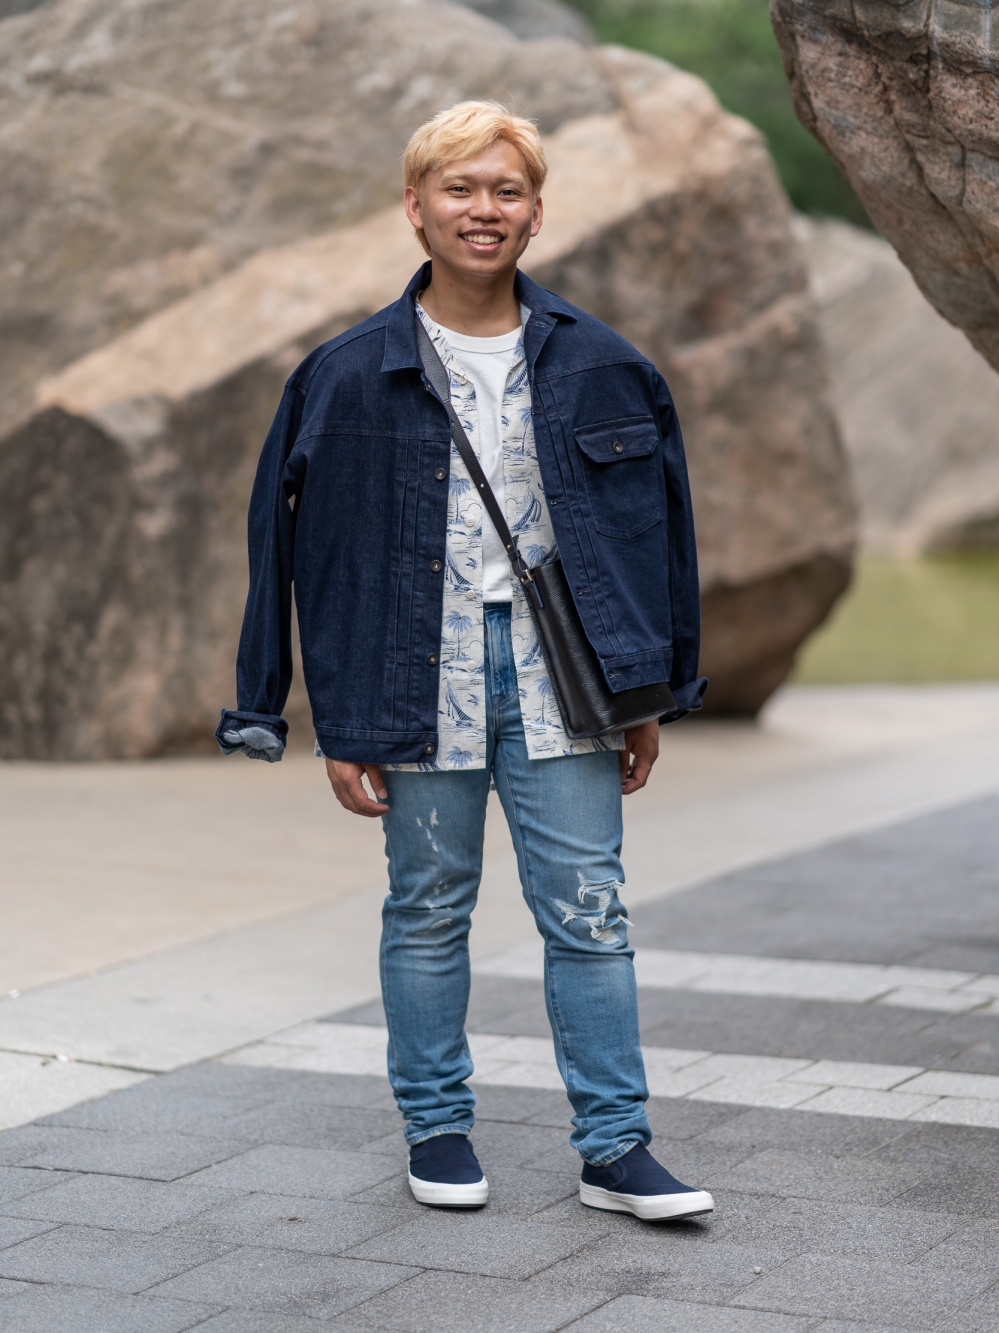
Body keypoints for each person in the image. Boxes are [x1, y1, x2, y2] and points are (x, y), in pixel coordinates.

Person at [218, 101, 712, 1221]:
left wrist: (655, 691)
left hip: (565, 673)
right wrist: (311, 714)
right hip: (413, 668)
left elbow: (662, 540)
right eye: (458, 189)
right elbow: (287, 548)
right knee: (429, 906)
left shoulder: (605, 364)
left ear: (536, 214)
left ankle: (616, 1147)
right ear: (415, 208)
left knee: (591, 910)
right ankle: (436, 1127)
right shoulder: (344, 374)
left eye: (504, 191)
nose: (481, 210)